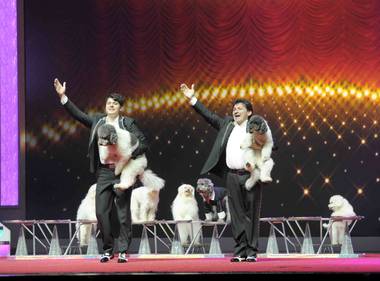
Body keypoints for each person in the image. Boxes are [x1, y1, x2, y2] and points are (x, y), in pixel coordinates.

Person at [53, 78, 148, 263]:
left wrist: (129, 155)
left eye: (115, 103)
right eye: (108, 103)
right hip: (104, 172)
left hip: (124, 171)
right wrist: (63, 97)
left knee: (122, 213)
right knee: (101, 212)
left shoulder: (128, 123)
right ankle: (107, 249)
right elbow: (79, 116)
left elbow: (144, 143)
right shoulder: (98, 121)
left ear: (120, 107)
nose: (111, 105)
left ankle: (122, 251)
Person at [180, 83, 268, 262]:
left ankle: (251, 252)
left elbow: (268, 145)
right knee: (236, 215)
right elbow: (209, 116)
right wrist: (192, 98)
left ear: (249, 112)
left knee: (250, 214)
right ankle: (240, 251)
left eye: (240, 108)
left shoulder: (256, 126)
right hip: (232, 176)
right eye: (234, 108)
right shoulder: (228, 124)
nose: (236, 111)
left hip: (251, 176)